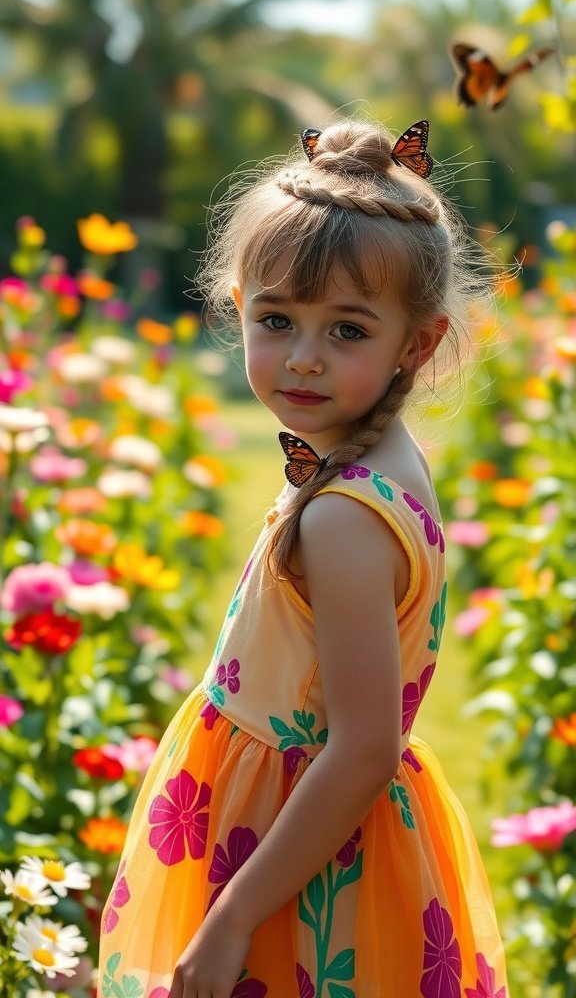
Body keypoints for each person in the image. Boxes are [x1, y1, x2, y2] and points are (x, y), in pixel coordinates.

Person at [97, 118, 508, 998]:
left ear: (418, 343)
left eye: (347, 331)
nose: (304, 359)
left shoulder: (344, 519)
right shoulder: (382, 455)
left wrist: (237, 914)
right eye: (277, 319)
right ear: (238, 304)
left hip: (292, 847)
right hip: (306, 828)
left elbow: (362, 747)